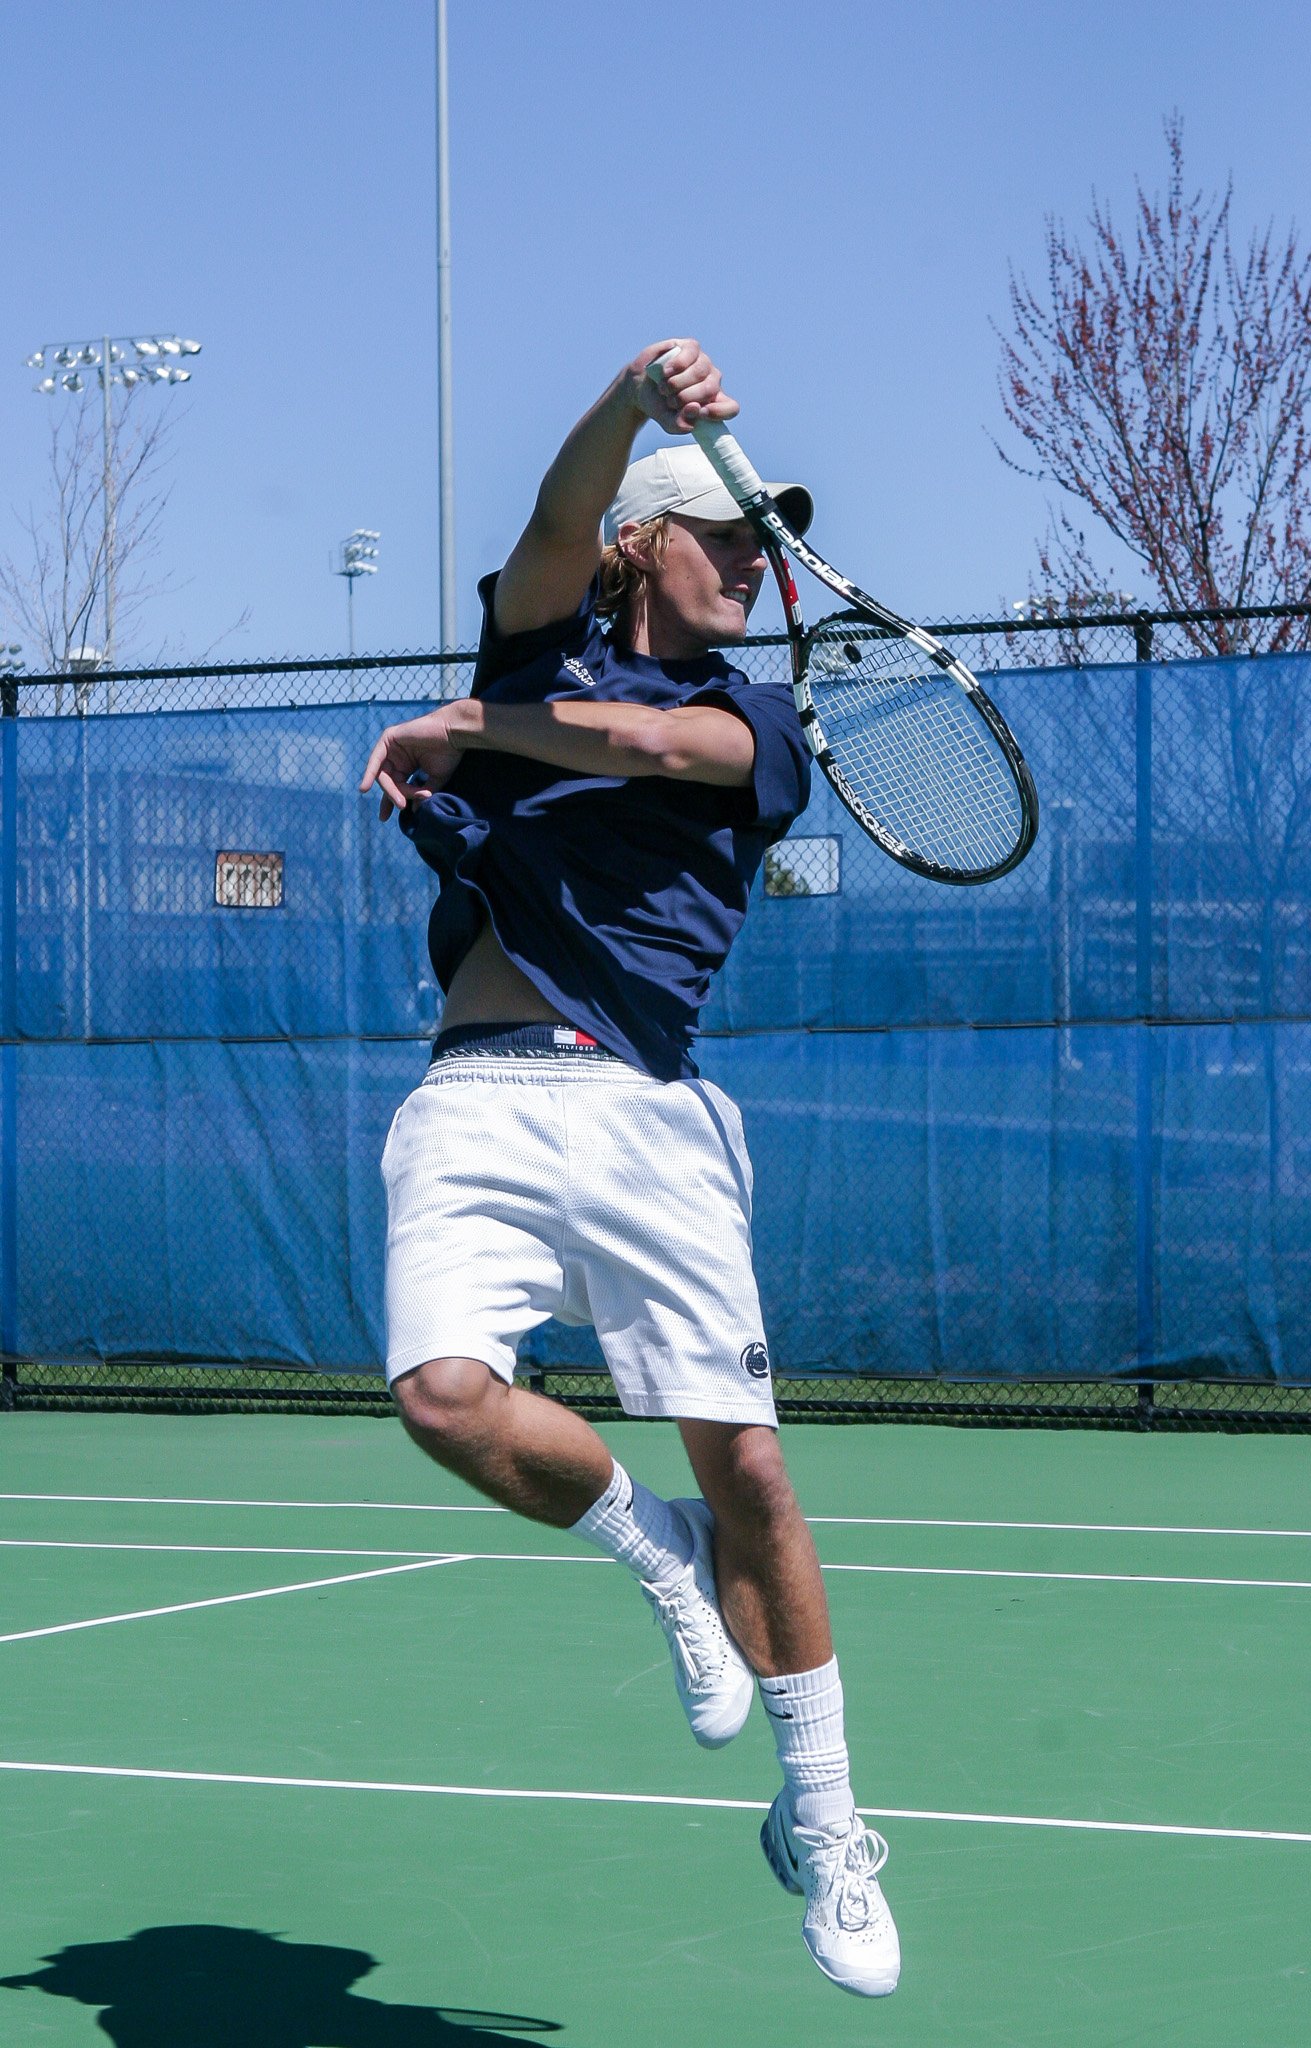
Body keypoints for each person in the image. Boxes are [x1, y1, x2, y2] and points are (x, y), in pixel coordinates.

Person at [360, 339, 900, 1999]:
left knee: (748, 1468)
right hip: (474, 1094)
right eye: (722, 532)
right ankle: (652, 1559)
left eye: (765, 542)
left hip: (649, 1113)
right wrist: (626, 395)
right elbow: (547, 508)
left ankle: (824, 1821)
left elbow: (644, 757)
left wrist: (474, 725)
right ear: (637, 545)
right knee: (445, 1398)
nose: (750, 557)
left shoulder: (755, 719)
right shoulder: (546, 631)